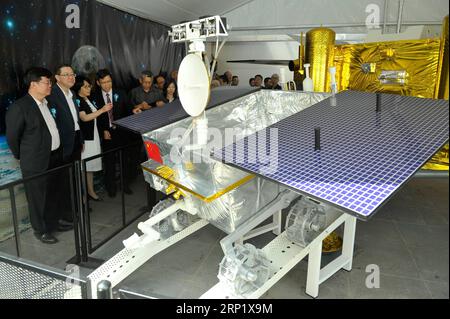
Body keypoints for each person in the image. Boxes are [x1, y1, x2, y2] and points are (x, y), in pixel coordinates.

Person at [6, 67, 71, 244]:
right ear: (34, 84)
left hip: (54, 157)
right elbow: (12, 137)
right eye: (47, 82)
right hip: (35, 161)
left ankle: (53, 223)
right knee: (37, 198)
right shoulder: (20, 107)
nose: (50, 85)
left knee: (53, 194)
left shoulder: (46, 103)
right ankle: (41, 230)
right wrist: (23, 156)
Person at [47, 64, 84, 223]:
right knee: (64, 180)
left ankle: (76, 208)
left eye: (73, 74)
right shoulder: (52, 94)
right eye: (67, 74)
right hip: (62, 145)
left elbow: (75, 120)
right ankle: (66, 214)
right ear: (57, 77)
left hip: (75, 140)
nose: (71, 77)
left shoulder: (72, 93)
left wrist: (80, 139)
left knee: (74, 176)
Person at [92, 69, 132, 197]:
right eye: (103, 82)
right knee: (109, 162)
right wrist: (103, 130)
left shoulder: (121, 93)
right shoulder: (94, 96)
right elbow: (95, 118)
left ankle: (125, 185)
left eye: (109, 81)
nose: (107, 85)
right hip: (107, 133)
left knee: (124, 160)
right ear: (98, 83)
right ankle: (111, 189)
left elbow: (128, 111)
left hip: (122, 132)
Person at [73, 75, 112, 201]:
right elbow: (84, 118)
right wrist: (102, 110)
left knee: (89, 168)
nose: (89, 88)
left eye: (89, 86)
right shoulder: (78, 100)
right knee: (84, 168)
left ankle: (90, 191)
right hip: (86, 139)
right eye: (86, 86)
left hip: (93, 136)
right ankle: (83, 195)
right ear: (79, 88)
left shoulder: (87, 99)